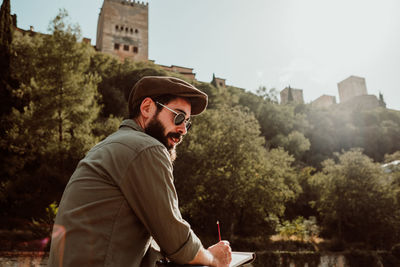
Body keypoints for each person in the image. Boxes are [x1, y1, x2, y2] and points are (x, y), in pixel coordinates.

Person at [48, 76, 232, 267]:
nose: (183, 130)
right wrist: (213, 258)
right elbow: (177, 243)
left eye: (187, 122)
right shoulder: (146, 148)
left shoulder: (111, 144)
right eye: (178, 116)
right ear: (147, 108)